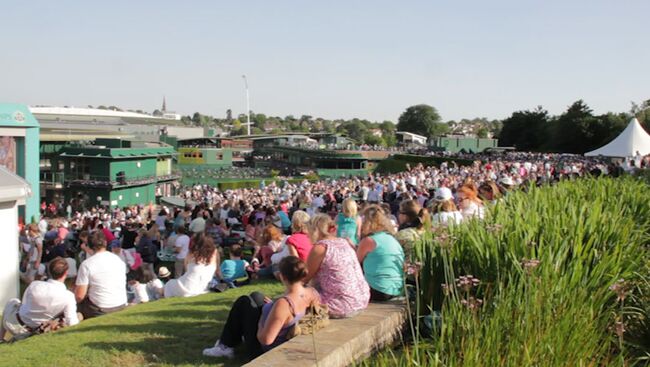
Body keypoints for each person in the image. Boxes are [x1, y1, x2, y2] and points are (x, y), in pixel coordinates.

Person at [203, 256, 320, 359]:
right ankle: (228, 342)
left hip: (267, 350)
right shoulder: (312, 293)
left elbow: (266, 340)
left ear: (282, 276)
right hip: (288, 336)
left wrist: (260, 321)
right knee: (256, 296)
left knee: (243, 302)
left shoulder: (284, 304)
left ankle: (225, 345)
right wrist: (272, 306)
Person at [304, 214, 369, 318]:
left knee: (299, 294)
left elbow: (305, 277)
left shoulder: (321, 248)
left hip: (342, 305)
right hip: (361, 299)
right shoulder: (343, 242)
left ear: (315, 230)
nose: (307, 235)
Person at [1, 258, 79, 341]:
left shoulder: (35, 284)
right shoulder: (68, 296)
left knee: (12, 302)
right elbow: (72, 322)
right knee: (13, 302)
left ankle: (1, 337)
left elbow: (23, 304)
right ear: (66, 273)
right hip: (32, 330)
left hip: (13, 323)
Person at [357, 205, 405, 301]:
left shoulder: (369, 241)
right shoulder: (392, 238)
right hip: (397, 288)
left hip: (379, 289)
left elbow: (355, 263)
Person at [75, 231, 127, 319]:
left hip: (100, 308)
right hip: (121, 303)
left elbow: (79, 296)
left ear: (89, 246)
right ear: (105, 243)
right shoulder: (117, 259)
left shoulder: (87, 265)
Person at [164, 234, 219, 298]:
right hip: (203, 286)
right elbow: (218, 271)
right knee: (170, 284)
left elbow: (186, 269)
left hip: (188, 286)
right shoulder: (215, 253)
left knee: (169, 284)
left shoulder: (191, 253)